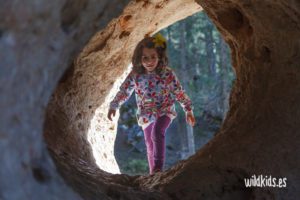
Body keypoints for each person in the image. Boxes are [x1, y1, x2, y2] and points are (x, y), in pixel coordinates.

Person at [107, 33, 196, 175]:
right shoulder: (135, 74)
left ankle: (158, 169)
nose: (149, 61)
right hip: (146, 114)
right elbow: (125, 90)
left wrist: (188, 109)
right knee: (149, 143)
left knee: (157, 132)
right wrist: (114, 105)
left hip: (165, 110)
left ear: (159, 56)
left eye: (153, 57)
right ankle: (151, 174)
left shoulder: (167, 74)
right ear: (139, 59)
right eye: (145, 58)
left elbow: (178, 91)